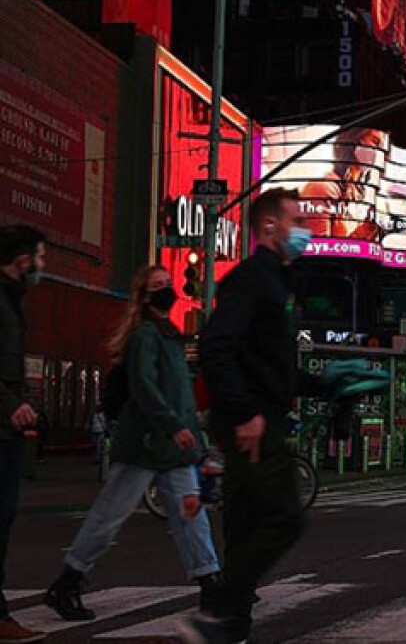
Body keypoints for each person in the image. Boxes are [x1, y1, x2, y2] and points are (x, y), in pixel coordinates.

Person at [182, 188, 327, 644]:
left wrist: (327, 383)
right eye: (296, 220)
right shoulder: (254, 280)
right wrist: (246, 413)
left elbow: (271, 364)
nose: (304, 230)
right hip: (253, 424)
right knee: (285, 517)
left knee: (245, 526)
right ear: (269, 226)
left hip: (256, 417)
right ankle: (220, 609)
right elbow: (216, 345)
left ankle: (229, 626)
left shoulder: (277, 282)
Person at [44, 265, 220, 621]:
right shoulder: (146, 336)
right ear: (143, 297)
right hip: (144, 445)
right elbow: (144, 387)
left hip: (172, 448)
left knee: (192, 516)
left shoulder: (168, 335)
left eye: (168, 284)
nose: (166, 290)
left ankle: (211, 585)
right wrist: (175, 427)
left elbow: (180, 397)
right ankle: (68, 582)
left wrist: (195, 445)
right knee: (109, 517)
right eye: (158, 287)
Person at [0, 226, 46, 643]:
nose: (42, 265)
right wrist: (11, 403)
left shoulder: (12, 302)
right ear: (22, 260)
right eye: (40, 257)